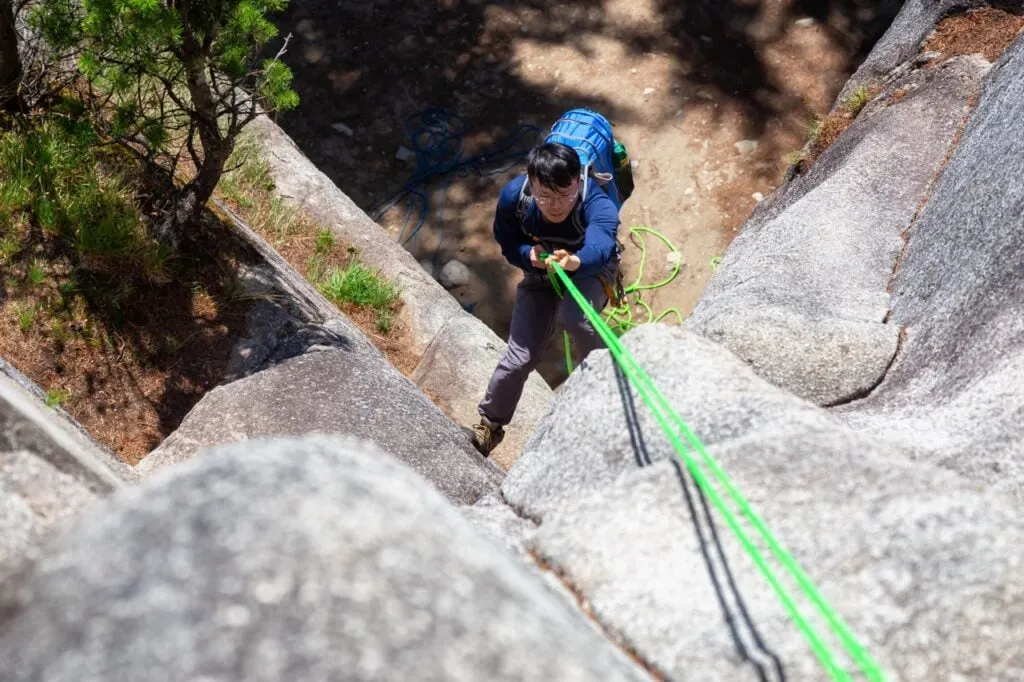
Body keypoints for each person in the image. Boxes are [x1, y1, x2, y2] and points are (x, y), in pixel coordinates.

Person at [467, 141, 621, 456]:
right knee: (519, 356)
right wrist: (527, 254)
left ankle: (612, 382)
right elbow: (507, 241)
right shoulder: (515, 197)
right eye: (544, 195)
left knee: (577, 318)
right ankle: (489, 426)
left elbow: (602, 245)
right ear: (530, 183)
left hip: (589, 270)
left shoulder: (598, 202)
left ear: (579, 181)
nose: (554, 205)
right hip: (541, 274)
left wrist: (574, 261)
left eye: (564, 194)